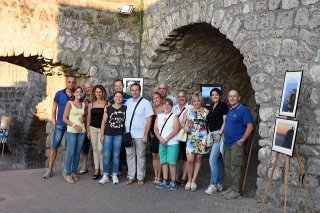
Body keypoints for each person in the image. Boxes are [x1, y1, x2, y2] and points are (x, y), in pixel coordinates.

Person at [222, 89, 253, 199]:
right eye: (230, 96)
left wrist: (242, 140)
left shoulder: (243, 110)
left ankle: (236, 191)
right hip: (228, 143)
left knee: (236, 167)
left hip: (236, 144)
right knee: (228, 167)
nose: (232, 98)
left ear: (239, 97)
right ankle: (231, 187)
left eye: (234, 96)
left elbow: (250, 126)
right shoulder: (230, 110)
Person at [43, 76, 76, 179]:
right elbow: (53, 110)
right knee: (54, 146)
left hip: (71, 125)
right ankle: (49, 169)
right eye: (69, 82)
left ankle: (65, 169)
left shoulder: (76, 94)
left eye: (73, 82)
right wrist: (54, 122)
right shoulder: (59, 94)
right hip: (60, 124)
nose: (71, 84)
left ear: (75, 83)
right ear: (66, 83)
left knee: (68, 148)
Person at [125, 83, 153, 186]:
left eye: (136, 90)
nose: (134, 92)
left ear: (140, 91)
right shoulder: (127, 102)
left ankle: (140, 177)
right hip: (129, 134)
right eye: (132, 90)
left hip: (141, 134)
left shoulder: (146, 103)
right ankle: (131, 176)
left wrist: (146, 134)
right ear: (130, 91)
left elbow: (149, 119)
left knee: (140, 156)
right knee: (130, 155)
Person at [182, 92, 209, 191]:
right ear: (192, 101)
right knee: (189, 160)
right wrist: (185, 127)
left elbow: (210, 124)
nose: (196, 103)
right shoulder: (188, 111)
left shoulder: (206, 111)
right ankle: (189, 180)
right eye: (194, 101)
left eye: (198, 101)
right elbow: (183, 122)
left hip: (202, 137)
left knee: (198, 158)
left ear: (201, 101)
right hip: (191, 137)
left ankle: (194, 180)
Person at [99, 91, 127, 184]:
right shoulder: (108, 108)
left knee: (116, 155)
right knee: (106, 155)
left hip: (118, 135)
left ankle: (114, 174)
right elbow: (103, 123)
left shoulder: (125, 108)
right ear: (114, 98)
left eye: (120, 97)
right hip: (108, 135)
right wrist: (102, 135)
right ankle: (105, 175)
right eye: (116, 96)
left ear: (122, 98)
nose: (118, 98)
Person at [205, 88, 228, 195]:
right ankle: (219, 183)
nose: (214, 96)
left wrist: (219, 134)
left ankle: (213, 184)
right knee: (218, 160)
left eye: (216, 94)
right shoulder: (211, 106)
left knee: (212, 160)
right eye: (212, 95)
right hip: (212, 135)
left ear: (220, 95)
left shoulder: (223, 105)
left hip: (219, 135)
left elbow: (225, 121)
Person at [154, 99, 180, 190]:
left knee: (172, 163)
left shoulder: (174, 116)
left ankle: (173, 181)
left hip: (172, 143)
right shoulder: (159, 116)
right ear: (162, 106)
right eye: (165, 104)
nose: (166, 106)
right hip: (162, 143)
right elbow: (155, 130)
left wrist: (166, 139)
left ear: (171, 107)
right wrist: (161, 139)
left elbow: (176, 129)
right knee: (164, 162)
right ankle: (166, 180)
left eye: (169, 105)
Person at [62, 86, 86, 184]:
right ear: (74, 93)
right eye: (77, 92)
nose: (79, 93)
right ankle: (67, 174)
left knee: (77, 153)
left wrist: (83, 119)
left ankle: (73, 173)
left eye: (80, 92)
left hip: (82, 131)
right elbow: (64, 118)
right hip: (72, 131)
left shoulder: (84, 104)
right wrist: (74, 125)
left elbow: (84, 118)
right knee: (70, 152)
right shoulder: (69, 104)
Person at [108, 79, 132, 175]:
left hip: (125, 126)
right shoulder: (110, 98)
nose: (118, 87)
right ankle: (117, 169)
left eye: (120, 85)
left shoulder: (129, 98)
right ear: (114, 87)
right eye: (116, 86)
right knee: (116, 148)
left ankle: (127, 168)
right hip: (114, 126)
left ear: (123, 86)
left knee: (125, 148)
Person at [86, 85, 107, 180]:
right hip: (93, 128)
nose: (98, 93)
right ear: (94, 93)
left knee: (100, 149)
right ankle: (96, 170)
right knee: (94, 149)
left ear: (102, 93)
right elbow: (88, 118)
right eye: (96, 92)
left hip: (102, 129)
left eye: (100, 92)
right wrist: (88, 130)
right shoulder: (91, 104)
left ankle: (102, 170)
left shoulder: (107, 103)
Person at [172, 90, 192, 187]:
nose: (181, 98)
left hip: (186, 137)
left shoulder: (191, 108)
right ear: (177, 97)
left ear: (186, 97)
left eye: (183, 96)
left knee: (185, 158)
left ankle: (184, 177)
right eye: (179, 96)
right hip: (175, 137)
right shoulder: (173, 108)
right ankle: (176, 177)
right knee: (175, 158)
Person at [79, 81, 93, 175]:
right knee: (85, 147)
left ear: (92, 87)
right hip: (84, 125)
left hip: (96, 125)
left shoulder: (97, 97)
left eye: (89, 87)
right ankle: (84, 166)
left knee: (99, 148)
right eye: (86, 88)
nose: (87, 89)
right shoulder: (81, 99)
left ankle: (99, 168)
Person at [149, 92, 163, 184]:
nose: (156, 100)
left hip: (161, 136)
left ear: (161, 99)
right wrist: (150, 135)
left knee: (159, 156)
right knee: (154, 156)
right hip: (153, 136)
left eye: (157, 98)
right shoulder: (151, 110)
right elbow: (148, 124)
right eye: (154, 98)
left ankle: (160, 176)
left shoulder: (164, 109)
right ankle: (156, 175)